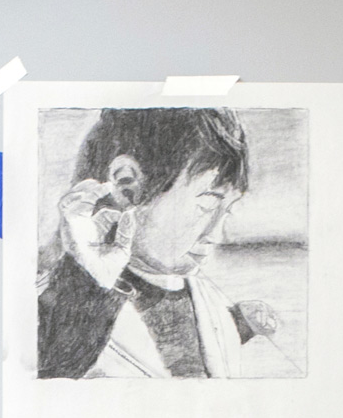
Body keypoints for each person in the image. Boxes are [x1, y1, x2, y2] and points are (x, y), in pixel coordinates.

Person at [35, 107, 280, 379]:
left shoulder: (204, 297)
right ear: (126, 185)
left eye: (228, 211)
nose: (216, 235)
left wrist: (240, 323)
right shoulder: (50, 313)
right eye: (207, 205)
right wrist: (89, 283)